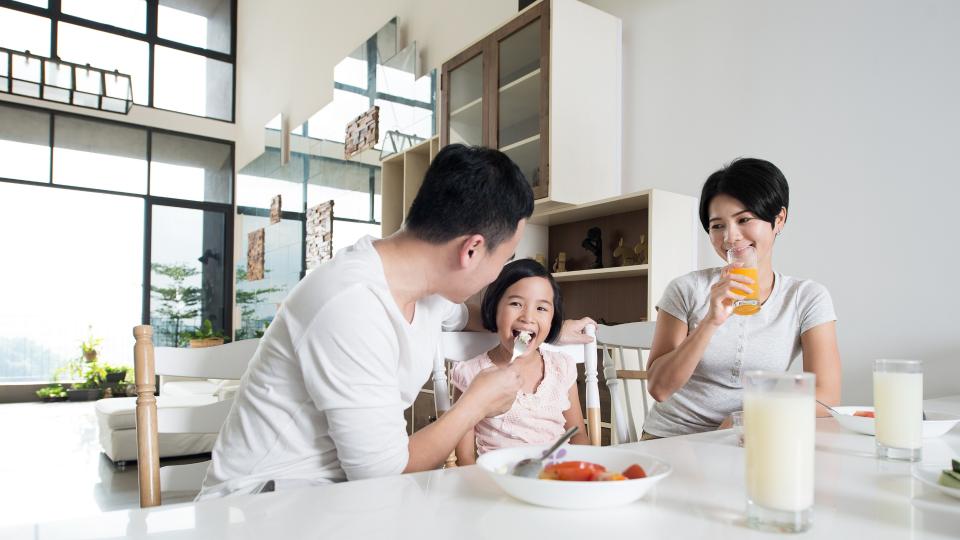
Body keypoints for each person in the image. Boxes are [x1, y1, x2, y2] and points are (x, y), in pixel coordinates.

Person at [198, 144, 593, 498]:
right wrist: (474, 405)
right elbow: (382, 474)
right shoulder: (351, 305)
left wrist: (552, 329)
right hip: (267, 502)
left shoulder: (428, 289)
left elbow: (473, 317)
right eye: (502, 259)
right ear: (472, 250)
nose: (497, 274)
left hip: (339, 495)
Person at [643, 158, 841, 438]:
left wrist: (750, 416)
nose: (730, 237)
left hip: (752, 438)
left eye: (744, 219)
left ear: (779, 219)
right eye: (717, 226)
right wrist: (710, 322)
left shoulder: (807, 297)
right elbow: (659, 389)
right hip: (674, 439)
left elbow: (827, 395)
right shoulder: (686, 289)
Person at [451, 259, 590, 465]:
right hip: (500, 483)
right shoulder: (471, 374)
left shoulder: (562, 367)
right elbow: (465, 458)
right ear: (494, 308)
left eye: (541, 308)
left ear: (553, 319)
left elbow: (577, 435)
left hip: (558, 477)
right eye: (516, 304)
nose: (528, 317)